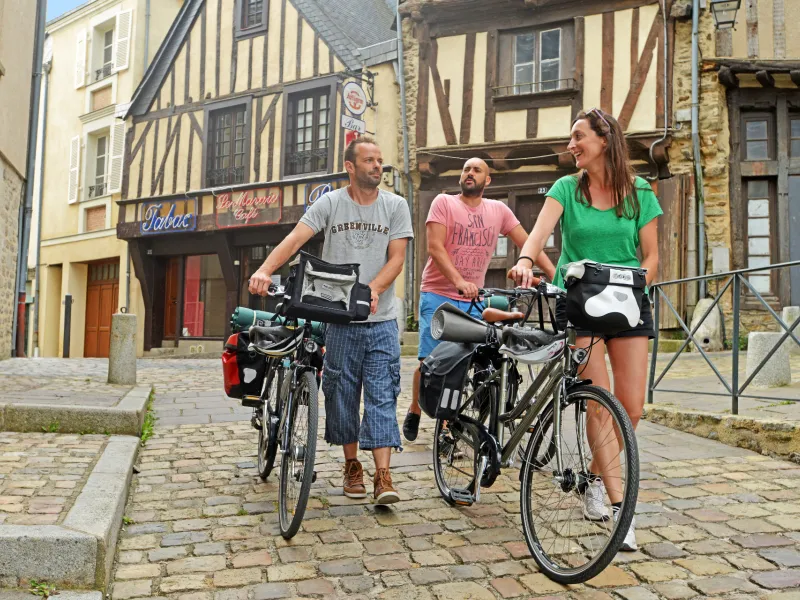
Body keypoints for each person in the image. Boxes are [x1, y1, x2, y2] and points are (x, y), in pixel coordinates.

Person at [510, 108, 662, 551]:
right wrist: (524, 260)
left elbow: (651, 257)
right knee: (600, 405)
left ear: (604, 139)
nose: (572, 144)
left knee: (629, 408)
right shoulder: (565, 189)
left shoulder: (639, 191)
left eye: (579, 136)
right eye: (571, 137)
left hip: (629, 304)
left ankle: (594, 477)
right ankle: (620, 510)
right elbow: (538, 234)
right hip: (580, 305)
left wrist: (634, 284)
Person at [249, 136, 413, 505]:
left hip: (381, 319)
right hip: (339, 320)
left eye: (380, 160)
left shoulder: (395, 205)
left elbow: (397, 258)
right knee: (341, 395)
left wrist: (372, 289)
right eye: (369, 160)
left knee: (382, 394)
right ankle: (352, 465)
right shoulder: (330, 204)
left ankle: (383, 475)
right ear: (351, 167)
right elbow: (295, 239)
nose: (377, 167)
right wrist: (264, 269)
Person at [402, 157, 555, 442]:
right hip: (438, 293)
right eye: (466, 169)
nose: (470, 173)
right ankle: (415, 407)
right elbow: (435, 247)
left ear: (488, 180)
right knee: (430, 361)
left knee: (461, 363)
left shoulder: (498, 210)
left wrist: (554, 276)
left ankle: (448, 427)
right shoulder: (444, 203)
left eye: (477, 170)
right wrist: (459, 281)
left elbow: (528, 242)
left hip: (474, 298)